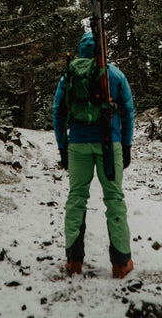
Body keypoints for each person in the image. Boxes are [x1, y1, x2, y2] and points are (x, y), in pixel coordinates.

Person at [52, 31, 135, 278]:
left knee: (76, 197)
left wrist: (62, 146)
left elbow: (58, 113)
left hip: (77, 144)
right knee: (114, 199)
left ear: (81, 51)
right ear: (103, 49)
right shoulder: (115, 74)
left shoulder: (68, 76)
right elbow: (128, 112)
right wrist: (127, 144)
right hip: (110, 144)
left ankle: (74, 261)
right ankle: (121, 264)